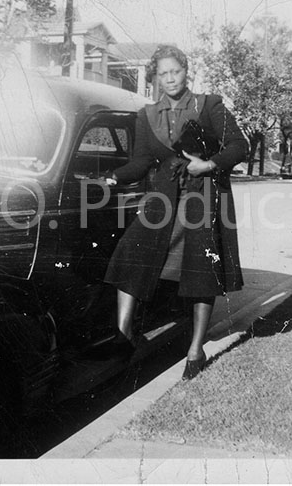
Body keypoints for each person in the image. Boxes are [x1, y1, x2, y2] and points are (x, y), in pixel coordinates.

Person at [101, 45, 248, 380]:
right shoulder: (147, 114)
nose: (169, 79)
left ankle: (195, 350)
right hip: (164, 201)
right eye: (163, 74)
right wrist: (113, 176)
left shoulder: (208, 105)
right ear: (155, 77)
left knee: (200, 271)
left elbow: (240, 146)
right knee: (131, 252)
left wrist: (209, 164)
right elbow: (141, 161)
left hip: (203, 197)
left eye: (175, 72)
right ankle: (123, 337)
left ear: (186, 71)